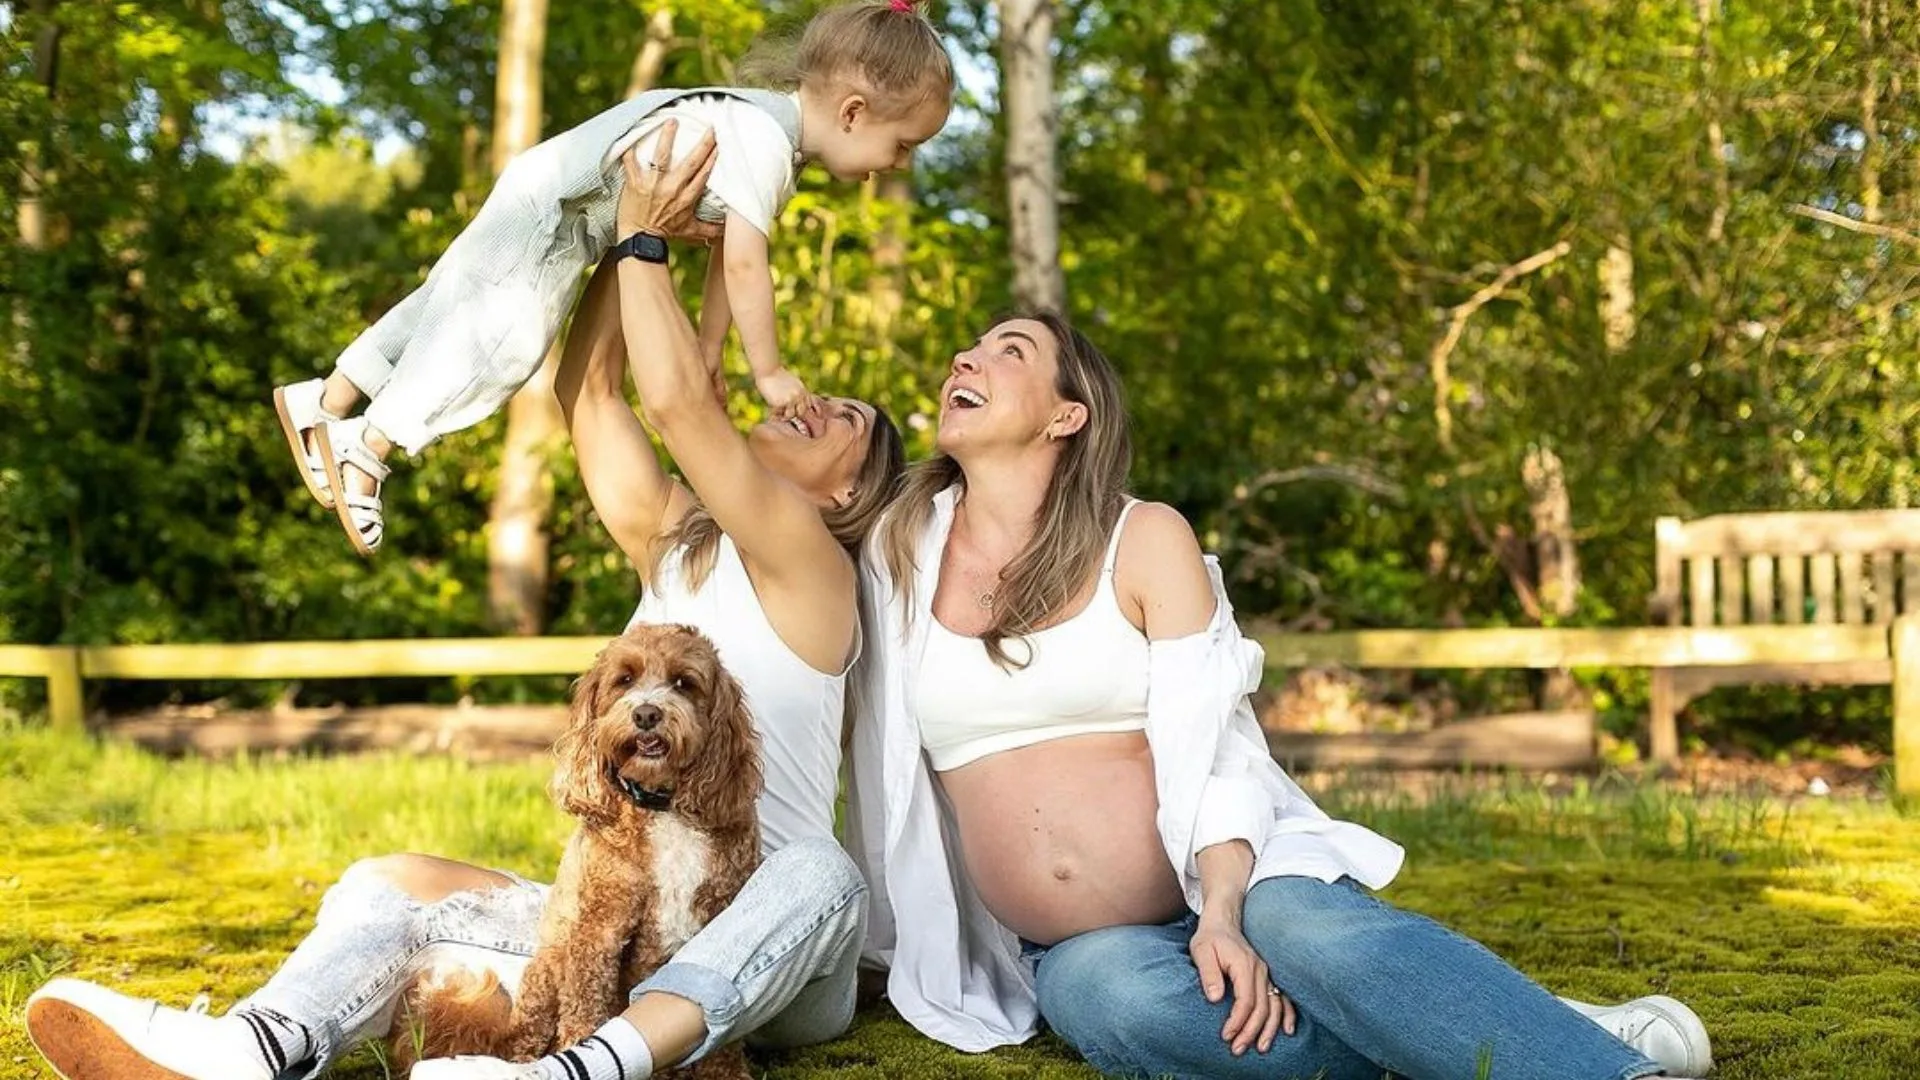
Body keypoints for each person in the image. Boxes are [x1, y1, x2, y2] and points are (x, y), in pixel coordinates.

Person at [27, 121, 906, 1080]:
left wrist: (651, 240)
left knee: (821, 872)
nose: (817, 403)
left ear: (846, 495)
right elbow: (594, 393)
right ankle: (254, 1045)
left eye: (847, 422)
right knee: (386, 884)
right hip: (637, 914)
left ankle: (581, 1070)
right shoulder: (680, 548)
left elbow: (683, 406)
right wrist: (620, 227)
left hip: (774, 954)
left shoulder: (816, 567)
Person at [845, 313, 1717, 1080]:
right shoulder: (899, 549)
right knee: (1116, 1007)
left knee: (1314, 935)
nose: (966, 358)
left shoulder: (1143, 538)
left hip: (1238, 875)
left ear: (1067, 415)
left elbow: (1220, 749)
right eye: (969, 349)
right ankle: (1507, 1032)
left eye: (1009, 350)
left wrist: (1221, 916)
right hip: (1073, 946)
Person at [271, 0, 949, 555]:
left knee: (446, 304)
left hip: (551, 190)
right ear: (854, 112)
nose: (896, 165)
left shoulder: (765, 131)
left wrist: (711, 353)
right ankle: (370, 445)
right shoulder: (766, 143)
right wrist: (768, 373)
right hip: (564, 215)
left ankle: (326, 399)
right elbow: (745, 265)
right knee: (498, 343)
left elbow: (723, 261)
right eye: (903, 146)